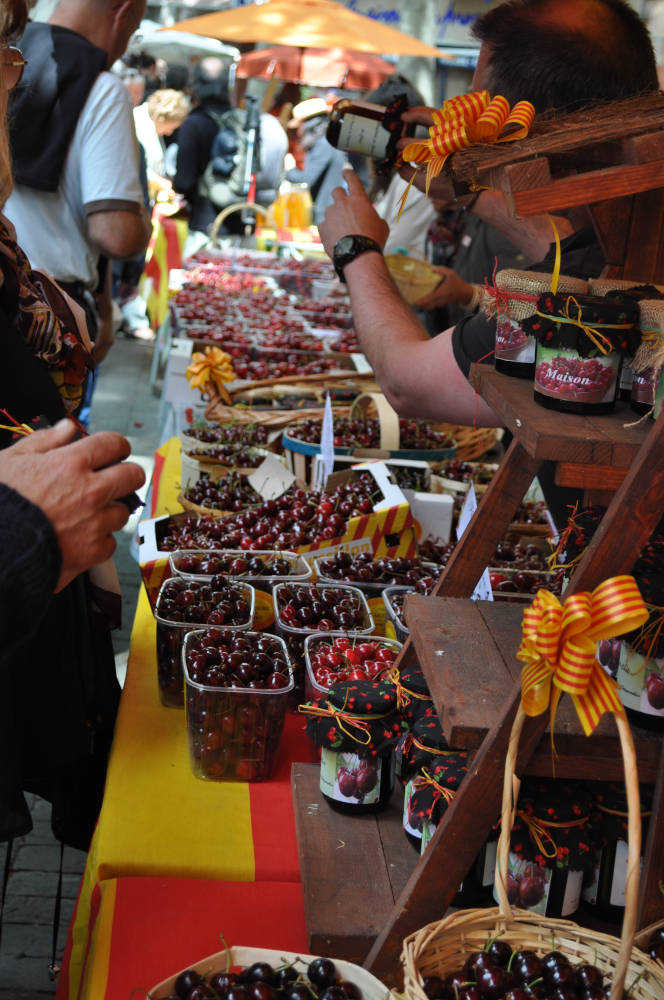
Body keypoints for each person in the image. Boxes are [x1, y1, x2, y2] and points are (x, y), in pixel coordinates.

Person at [319, 0, 659, 438]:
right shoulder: (634, 231)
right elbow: (575, 260)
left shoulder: (588, 283)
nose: (466, 123)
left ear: (517, 128)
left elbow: (407, 384)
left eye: (481, 116)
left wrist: (355, 249)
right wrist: (468, 190)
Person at [0, 0, 146, 849]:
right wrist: (24, 527)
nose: (13, 72)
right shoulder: (101, 86)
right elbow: (117, 227)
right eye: (3, 48)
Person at [5, 0, 152, 376]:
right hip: (52, 320)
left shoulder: (12, 58)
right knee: (49, 432)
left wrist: (103, 303)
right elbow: (115, 235)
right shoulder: (103, 89)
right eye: (134, 30)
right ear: (123, 11)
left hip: (14, 296)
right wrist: (144, 223)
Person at [173, 56, 234, 234]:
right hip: (239, 219)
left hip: (204, 223)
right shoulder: (239, 120)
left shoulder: (194, 124)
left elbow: (184, 182)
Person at [286, 97, 350, 227]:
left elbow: (306, 178)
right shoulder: (325, 142)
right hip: (327, 211)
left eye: (299, 126)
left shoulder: (324, 144)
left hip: (326, 213)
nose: (298, 132)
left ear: (309, 124)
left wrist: (286, 171)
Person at [134, 87, 189, 194]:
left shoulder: (151, 123)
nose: (170, 132)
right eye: (172, 127)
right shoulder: (139, 123)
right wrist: (165, 184)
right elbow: (139, 168)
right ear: (163, 118)